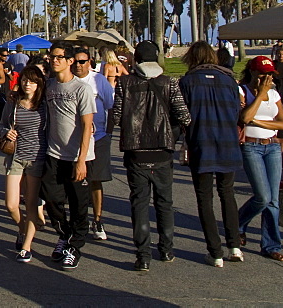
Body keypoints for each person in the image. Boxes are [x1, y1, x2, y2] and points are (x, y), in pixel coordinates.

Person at [112, 40, 192, 272]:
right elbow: (185, 116)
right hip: (163, 150)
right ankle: (166, 249)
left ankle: (143, 255)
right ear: (156, 58)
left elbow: (116, 116)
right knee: (164, 202)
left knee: (139, 202)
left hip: (135, 151)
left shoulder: (124, 83)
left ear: (135, 59)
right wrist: (174, 131)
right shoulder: (170, 83)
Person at [178, 41, 244, 267]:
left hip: (201, 143)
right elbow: (237, 112)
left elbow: (182, 115)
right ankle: (234, 245)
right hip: (228, 143)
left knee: (204, 197)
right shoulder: (229, 81)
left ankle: (215, 251)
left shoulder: (187, 81)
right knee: (228, 193)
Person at [42, 43, 96, 271]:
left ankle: (75, 245)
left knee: (78, 205)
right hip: (54, 154)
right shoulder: (50, 86)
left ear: (70, 61)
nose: (54, 60)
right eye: (52, 57)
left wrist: (82, 160)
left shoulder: (81, 89)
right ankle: (64, 234)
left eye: (59, 57)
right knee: (51, 199)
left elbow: (87, 125)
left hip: (77, 157)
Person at [237, 56, 283, 261]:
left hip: (272, 146)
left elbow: (282, 123)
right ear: (252, 72)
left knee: (273, 200)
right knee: (262, 196)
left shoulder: (274, 94)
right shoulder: (242, 91)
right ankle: (238, 224)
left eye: (270, 75)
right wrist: (260, 94)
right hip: (251, 146)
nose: (266, 78)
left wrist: (261, 123)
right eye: (262, 74)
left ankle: (271, 245)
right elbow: (245, 118)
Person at [0, 66, 49, 262]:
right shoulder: (13, 102)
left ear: (39, 84)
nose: (27, 84)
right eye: (24, 80)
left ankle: (27, 247)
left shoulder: (45, 104)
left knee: (30, 204)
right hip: (16, 157)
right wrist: (6, 132)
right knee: (11, 205)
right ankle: (22, 229)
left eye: (32, 81)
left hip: (37, 157)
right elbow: (1, 123)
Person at [72, 46, 114, 241]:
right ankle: (77, 219)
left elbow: (110, 107)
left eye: (82, 61)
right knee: (76, 180)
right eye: (76, 61)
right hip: (74, 140)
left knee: (95, 180)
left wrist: (108, 133)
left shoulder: (98, 80)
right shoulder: (66, 81)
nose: (78, 65)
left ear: (90, 62)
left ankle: (97, 219)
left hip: (98, 138)